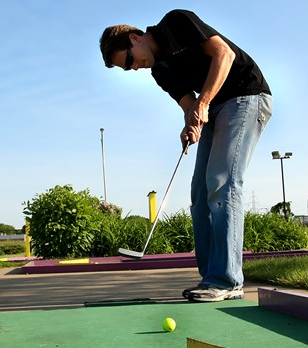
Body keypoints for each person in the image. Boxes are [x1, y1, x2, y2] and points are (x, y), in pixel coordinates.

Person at [100, 9, 272, 302]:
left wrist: (203, 103)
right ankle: (210, 280)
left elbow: (224, 55)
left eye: (129, 60)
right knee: (199, 192)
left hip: (246, 96)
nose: (134, 68)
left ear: (135, 37)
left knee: (221, 183)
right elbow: (189, 105)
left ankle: (228, 280)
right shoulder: (159, 71)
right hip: (215, 108)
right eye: (127, 69)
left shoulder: (175, 22)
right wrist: (190, 124)